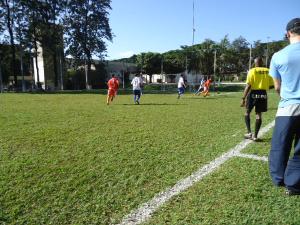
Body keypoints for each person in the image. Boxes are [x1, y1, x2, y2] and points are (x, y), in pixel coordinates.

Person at [268, 18, 300, 195]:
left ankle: (279, 178)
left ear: (288, 33)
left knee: (280, 146)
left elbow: (277, 87)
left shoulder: (278, 56)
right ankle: (295, 184)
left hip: (287, 108)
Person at [240, 57, 274, 141]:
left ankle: (249, 133)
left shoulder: (252, 71)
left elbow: (248, 85)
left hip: (253, 93)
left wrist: (243, 98)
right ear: (262, 63)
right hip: (263, 94)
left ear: (255, 63)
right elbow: (272, 85)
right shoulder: (268, 71)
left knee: (247, 112)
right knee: (258, 115)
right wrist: (264, 85)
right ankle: (255, 136)